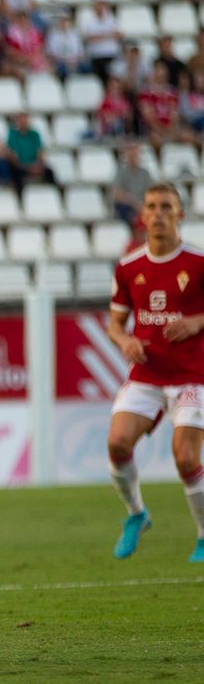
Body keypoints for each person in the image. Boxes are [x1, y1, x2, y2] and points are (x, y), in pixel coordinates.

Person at [104, 184, 204, 563]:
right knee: (117, 444)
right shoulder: (129, 266)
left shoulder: (198, 262)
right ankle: (136, 514)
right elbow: (115, 324)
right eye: (152, 207)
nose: (158, 213)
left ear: (179, 215)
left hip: (193, 376)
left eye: (166, 206)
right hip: (146, 376)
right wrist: (124, 341)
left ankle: (203, 536)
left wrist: (197, 321)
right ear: (142, 216)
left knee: (185, 458)